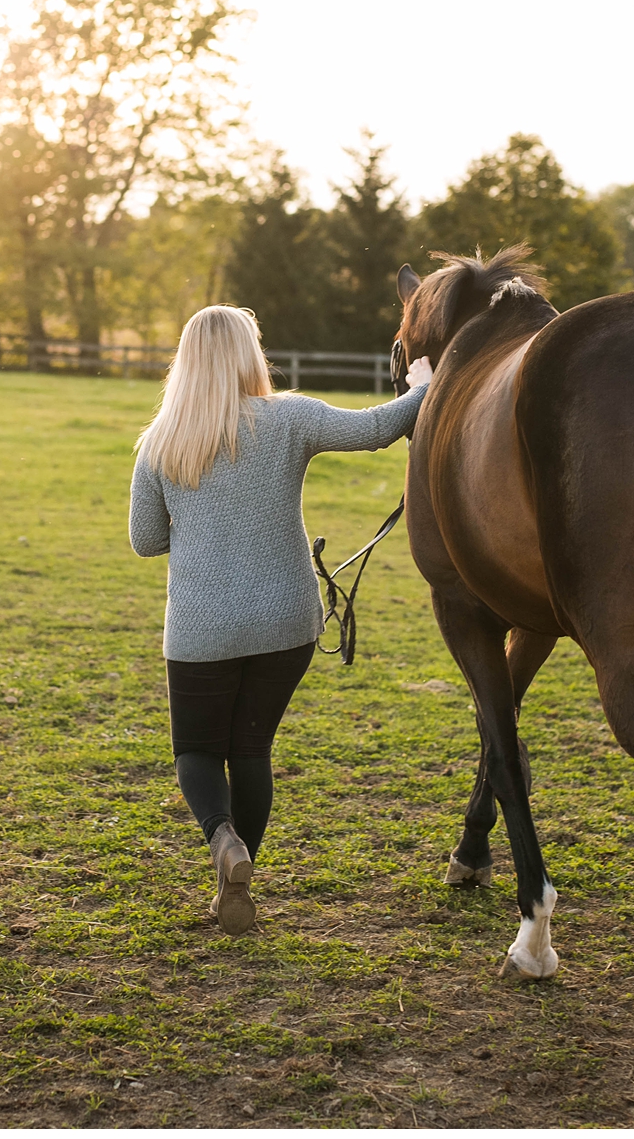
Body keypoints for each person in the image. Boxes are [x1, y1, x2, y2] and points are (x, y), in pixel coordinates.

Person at [128, 305, 431, 934]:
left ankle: (222, 843)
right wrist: (426, 384)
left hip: (201, 627)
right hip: (286, 622)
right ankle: (238, 882)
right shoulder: (291, 418)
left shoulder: (160, 441)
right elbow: (376, 429)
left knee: (196, 750)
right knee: (252, 750)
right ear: (250, 354)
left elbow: (146, 540)